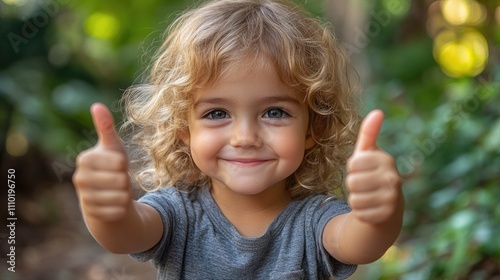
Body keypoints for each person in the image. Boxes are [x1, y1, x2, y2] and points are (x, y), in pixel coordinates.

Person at [72, 0, 404, 279]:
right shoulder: (177, 213)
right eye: (217, 114)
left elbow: (363, 242)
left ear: (313, 129)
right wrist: (108, 211)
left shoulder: (315, 219)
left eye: (274, 112)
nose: (245, 138)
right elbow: (124, 234)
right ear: (184, 131)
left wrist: (378, 214)